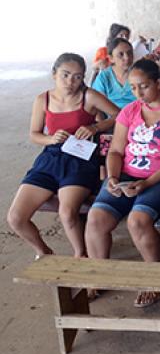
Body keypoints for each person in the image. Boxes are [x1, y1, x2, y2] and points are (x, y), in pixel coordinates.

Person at [85, 60, 160, 308]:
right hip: (126, 175)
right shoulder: (130, 111)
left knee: (138, 221)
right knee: (96, 218)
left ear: (158, 82)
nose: (138, 93)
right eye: (133, 88)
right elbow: (116, 151)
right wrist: (113, 177)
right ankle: (98, 276)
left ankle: (154, 280)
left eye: (144, 86)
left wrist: (146, 183)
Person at [7, 54, 119, 259]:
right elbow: (34, 134)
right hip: (51, 157)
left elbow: (119, 115)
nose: (70, 82)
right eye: (65, 75)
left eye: (77, 77)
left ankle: (80, 254)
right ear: (54, 74)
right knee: (16, 217)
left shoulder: (88, 96)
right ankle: (43, 251)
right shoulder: (43, 99)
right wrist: (50, 139)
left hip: (80, 158)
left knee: (67, 213)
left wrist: (95, 127)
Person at [92, 37, 135, 109]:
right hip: (112, 115)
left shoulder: (139, 75)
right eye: (121, 54)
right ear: (111, 58)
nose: (127, 57)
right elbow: (96, 105)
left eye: (129, 53)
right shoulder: (104, 78)